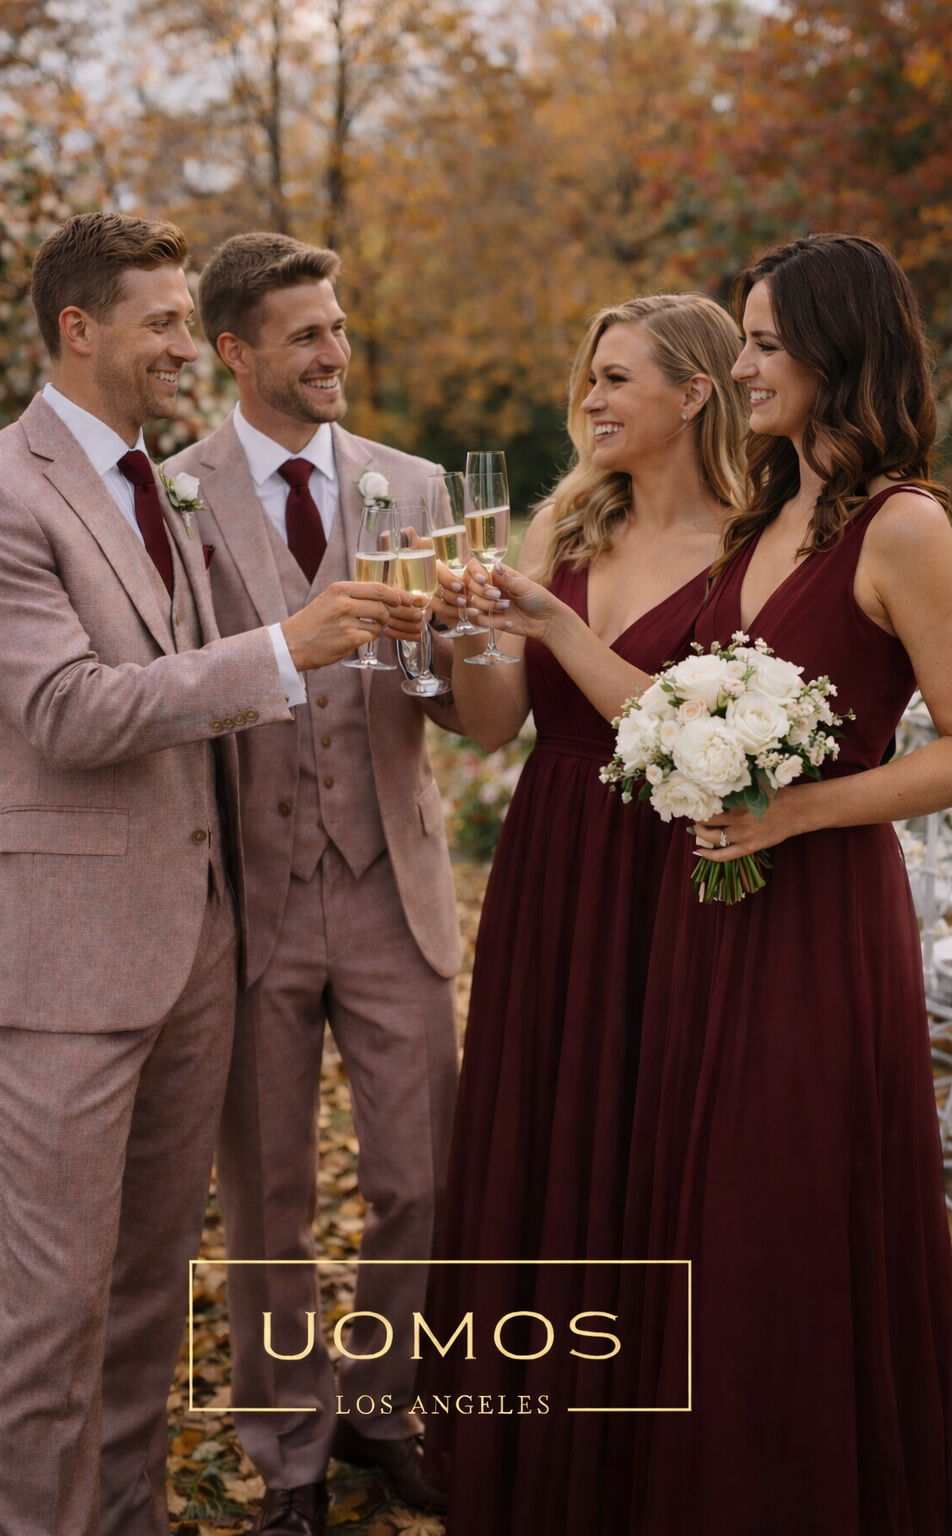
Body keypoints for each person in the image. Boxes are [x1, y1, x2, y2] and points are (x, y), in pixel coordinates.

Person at [0, 211, 409, 1536]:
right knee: (54, 1307)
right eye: (161, 322)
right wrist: (284, 648)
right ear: (78, 329)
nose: (187, 349)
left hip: (194, 945)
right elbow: (72, 711)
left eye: (190, 322)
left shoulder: (164, 484)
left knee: (146, 1288)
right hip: (65, 960)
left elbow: (176, 690)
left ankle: (129, 1513)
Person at [474, 236, 952, 1532]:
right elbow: (670, 720)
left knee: (774, 1217)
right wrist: (531, 624)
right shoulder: (766, 522)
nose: (743, 365)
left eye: (760, 343)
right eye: (738, 341)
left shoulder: (905, 524)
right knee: (694, 1216)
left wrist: (800, 807)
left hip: (822, 915)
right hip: (716, 917)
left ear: (834, 351)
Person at [422, 293, 750, 1532]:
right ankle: (531, 1465)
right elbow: (499, 724)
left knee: (650, 1147)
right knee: (546, 1136)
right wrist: (462, 637)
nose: (593, 400)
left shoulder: (757, 544)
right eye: (589, 379)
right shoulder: (564, 522)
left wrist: (549, 623)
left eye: (618, 379)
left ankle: (641, 1468)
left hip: (676, 875)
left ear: (697, 394)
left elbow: (701, 739)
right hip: (553, 863)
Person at [162, 233, 462, 1536]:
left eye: (339, 329)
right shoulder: (167, 497)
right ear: (235, 352)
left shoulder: (418, 486)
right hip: (250, 897)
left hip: (396, 884)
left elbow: (459, 692)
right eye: (305, 335)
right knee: (268, 1197)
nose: (335, 354)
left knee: (423, 1179)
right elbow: (153, 690)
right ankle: (287, 1449)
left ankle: (383, 1407)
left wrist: (463, 646)